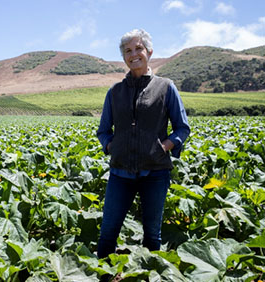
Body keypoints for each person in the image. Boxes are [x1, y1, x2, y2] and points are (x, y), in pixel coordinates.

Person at [96, 29, 190, 259]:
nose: (133, 54)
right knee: (108, 233)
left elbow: (182, 127)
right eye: (128, 51)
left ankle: (150, 274)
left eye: (138, 48)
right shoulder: (115, 92)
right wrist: (111, 146)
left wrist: (164, 147)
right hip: (120, 172)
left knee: (152, 235)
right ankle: (103, 275)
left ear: (149, 51)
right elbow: (103, 130)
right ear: (124, 58)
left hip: (156, 172)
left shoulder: (166, 87)